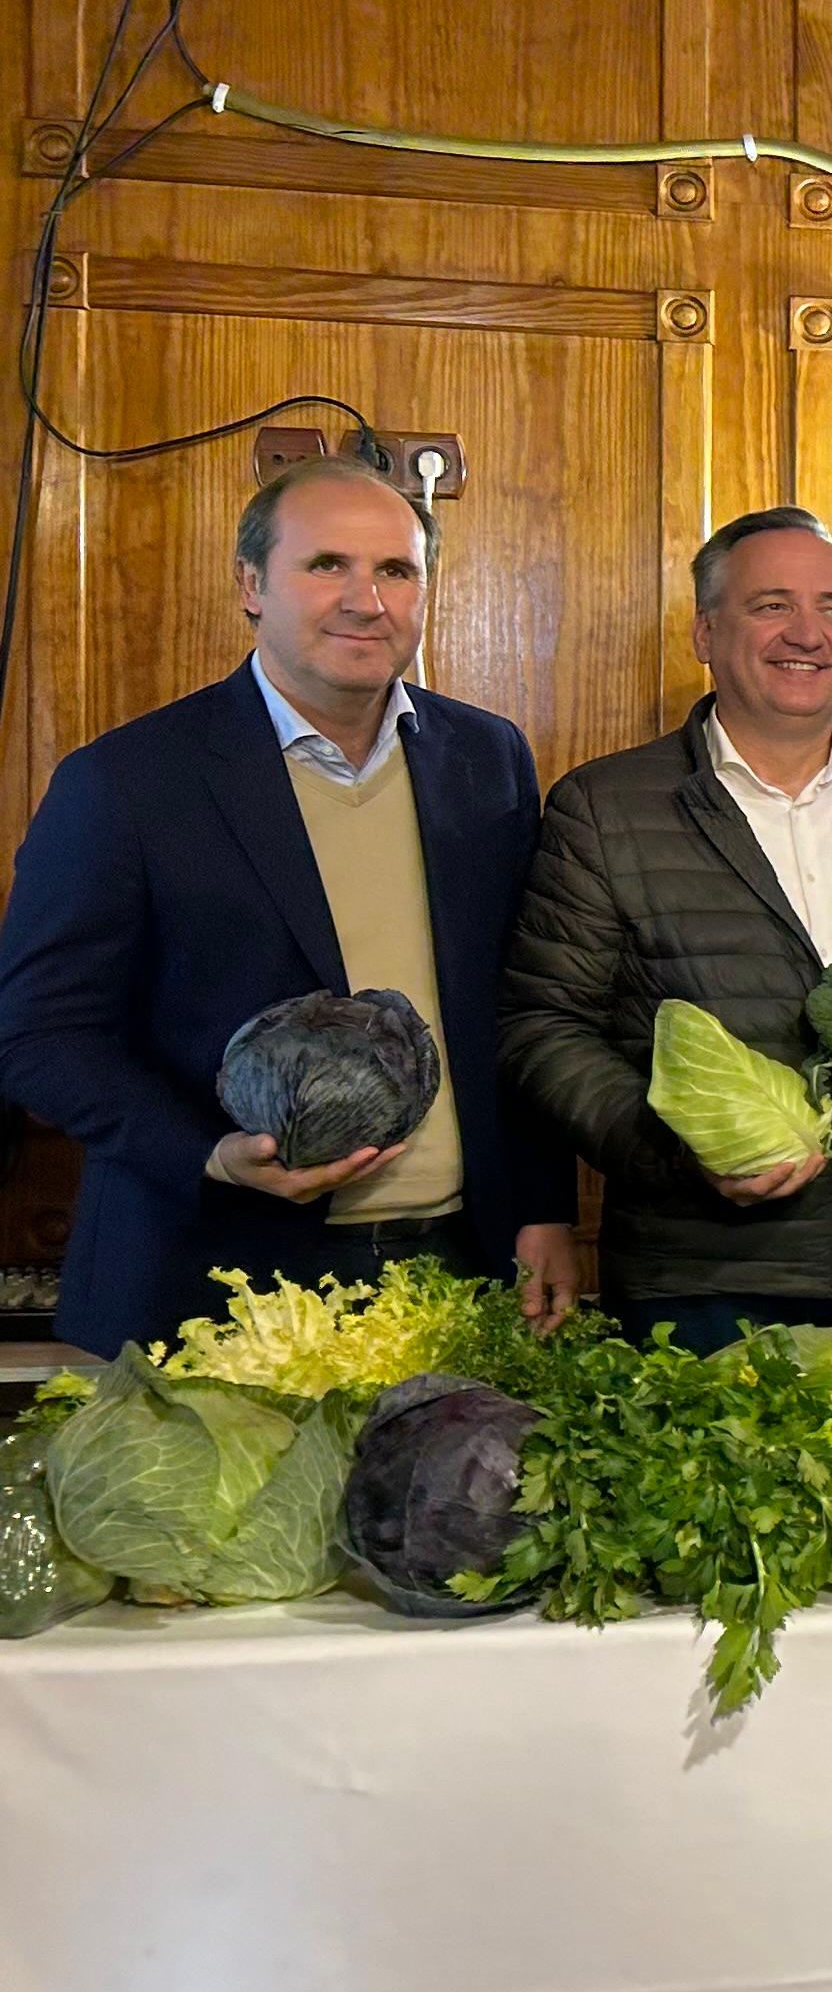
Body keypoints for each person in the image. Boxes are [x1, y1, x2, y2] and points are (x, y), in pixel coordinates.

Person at [0, 447, 579, 1355]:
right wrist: (211, 1153)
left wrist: (546, 1210)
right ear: (250, 584)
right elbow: (38, 1035)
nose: (366, 599)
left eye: (396, 570)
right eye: (326, 566)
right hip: (211, 1286)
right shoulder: (125, 782)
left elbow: (522, 1003)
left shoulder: (486, 759)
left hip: (457, 1269)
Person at [498, 508, 832, 1349]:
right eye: (772, 606)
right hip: (700, 1284)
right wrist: (680, 1150)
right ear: (704, 632)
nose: (809, 634)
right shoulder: (606, 808)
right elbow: (541, 1027)